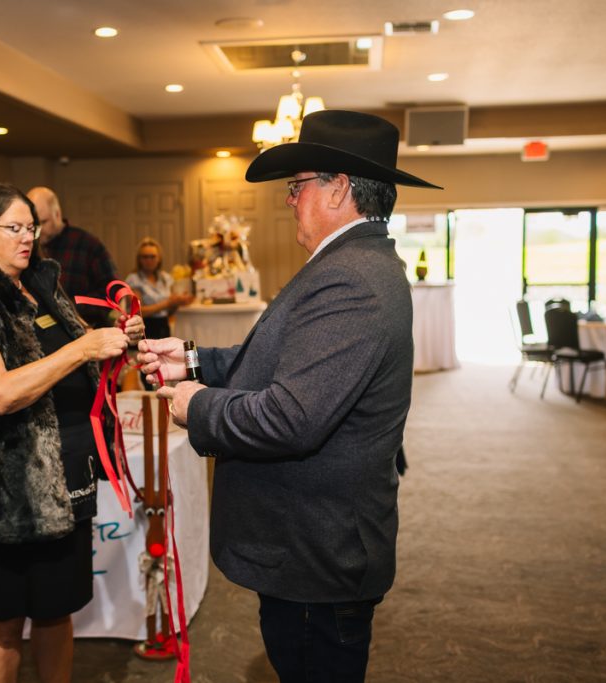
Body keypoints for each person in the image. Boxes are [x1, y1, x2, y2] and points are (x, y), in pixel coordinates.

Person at [138, 110, 441, 683]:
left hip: (316, 552)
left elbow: (290, 417)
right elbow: (283, 362)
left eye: (297, 186)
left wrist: (196, 405)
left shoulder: (353, 277)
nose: (289, 199)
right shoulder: (353, 263)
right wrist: (193, 361)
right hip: (311, 542)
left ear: (339, 189)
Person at [0, 182, 144, 683]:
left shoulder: (42, 286)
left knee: (56, 611)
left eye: (32, 227)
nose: (27, 237)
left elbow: (78, 353)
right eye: (14, 228)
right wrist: (83, 348)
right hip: (11, 493)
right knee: (4, 620)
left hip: (68, 482)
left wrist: (115, 337)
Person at [27, 186, 119, 327]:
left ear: (57, 214)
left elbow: (112, 291)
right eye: (32, 225)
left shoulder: (87, 244)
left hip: (87, 329)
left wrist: (69, 307)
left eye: (43, 222)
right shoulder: (27, 246)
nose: (36, 231)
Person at [125, 236, 193, 339]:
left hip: (163, 327)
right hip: (143, 329)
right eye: (145, 257)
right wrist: (167, 303)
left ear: (159, 258)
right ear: (139, 259)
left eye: (152, 256)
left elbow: (169, 312)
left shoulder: (165, 278)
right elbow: (137, 312)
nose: (149, 260)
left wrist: (177, 302)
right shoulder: (134, 279)